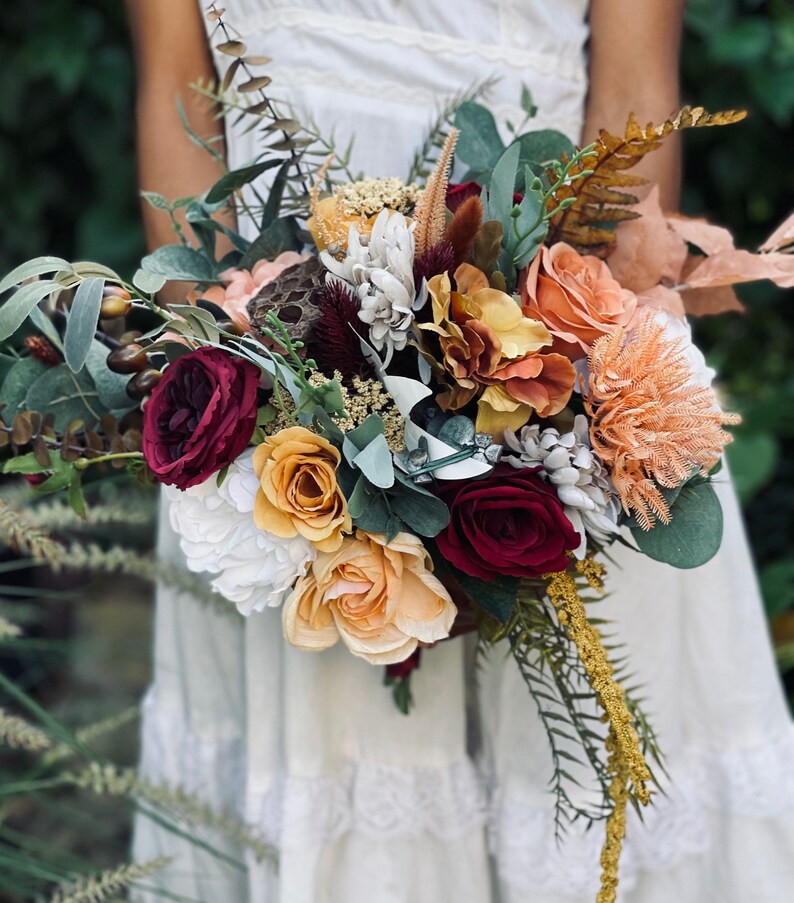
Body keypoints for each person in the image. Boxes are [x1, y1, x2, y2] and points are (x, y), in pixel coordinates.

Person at [126, 2, 794, 901]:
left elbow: (634, 98)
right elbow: (178, 84)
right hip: (274, 385)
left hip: (554, 362)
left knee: (590, 789)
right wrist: (232, 394)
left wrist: (553, 428)